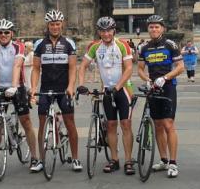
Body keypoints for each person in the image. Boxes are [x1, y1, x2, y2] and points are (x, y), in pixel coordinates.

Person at [78, 16, 136, 175]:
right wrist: (81, 84)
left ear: (114, 30)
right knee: (110, 125)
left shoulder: (123, 45)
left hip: (122, 90)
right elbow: (82, 66)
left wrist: (117, 87)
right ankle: (115, 159)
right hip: (107, 91)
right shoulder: (94, 46)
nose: (106, 34)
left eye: (109, 30)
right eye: (102, 31)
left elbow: (129, 68)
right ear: (98, 32)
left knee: (125, 124)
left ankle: (129, 161)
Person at [0, 19, 38, 173]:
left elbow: (17, 65)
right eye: (0, 32)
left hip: (17, 87)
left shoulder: (18, 46)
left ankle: (34, 157)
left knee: (26, 121)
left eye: (7, 32)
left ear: (12, 33)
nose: (3, 35)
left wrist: (13, 86)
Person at [30, 10, 82, 172]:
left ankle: (75, 158)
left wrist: (71, 87)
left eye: (57, 24)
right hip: (46, 88)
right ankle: (40, 160)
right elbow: (36, 69)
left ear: (62, 25)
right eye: (52, 24)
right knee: (41, 124)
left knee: (70, 123)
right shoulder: (39, 44)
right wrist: (33, 88)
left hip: (63, 88)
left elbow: (73, 68)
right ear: (48, 25)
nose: (54, 27)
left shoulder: (69, 43)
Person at [137, 14, 184, 178]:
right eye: (151, 27)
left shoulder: (170, 45)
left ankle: (173, 162)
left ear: (162, 29)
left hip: (168, 87)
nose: (154, 29)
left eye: (157, 27)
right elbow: (140, 69)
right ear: (148, 29)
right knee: (157, 125)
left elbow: (180, 67)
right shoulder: (143, 47)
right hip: (153, 87)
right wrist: (147, 80)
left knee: (168, 124)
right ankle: (164, 160)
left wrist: (165, 78)